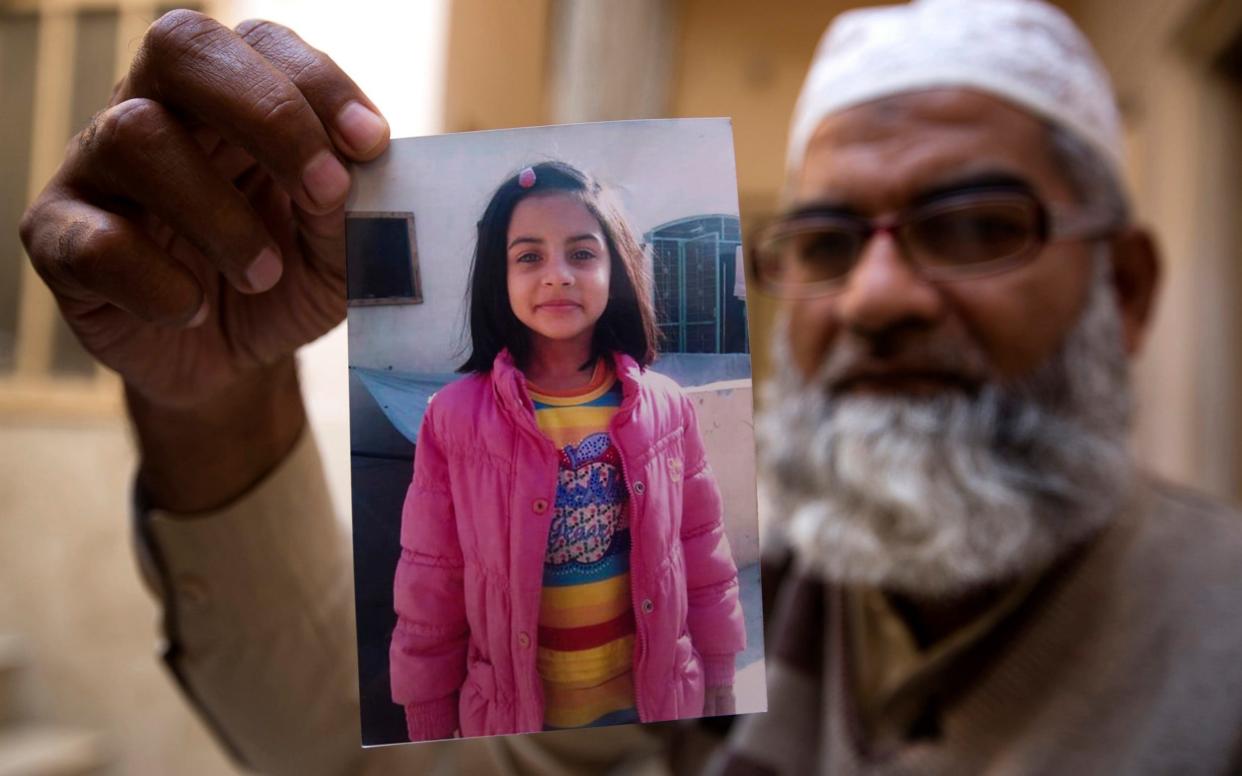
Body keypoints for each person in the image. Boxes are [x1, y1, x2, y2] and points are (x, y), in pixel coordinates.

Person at [17, 0, 1242, 774]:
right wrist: (209, 390)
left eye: (972, 224)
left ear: (1123, 287)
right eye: (822, 240)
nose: (874, 298)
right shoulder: (776, 568)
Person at [389, 161, 744, 741]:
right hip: (516, 720)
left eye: (582, 253)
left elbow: (703, 554)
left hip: (656, 705)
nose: (557, 275)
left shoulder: (665, 407)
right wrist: (427, 721)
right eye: (529, 256)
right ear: (498, 277)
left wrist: (722, 674)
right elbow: (430, 583)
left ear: (616, 270)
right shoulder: (454, 419)